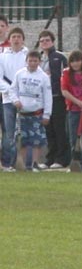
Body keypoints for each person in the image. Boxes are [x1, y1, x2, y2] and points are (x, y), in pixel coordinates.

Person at [9, 50, 52, 171]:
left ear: (39, 61)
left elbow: (48, 97)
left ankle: (34, 163)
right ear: (26, 61)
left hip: (37, 113)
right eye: (30, 60)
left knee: (36, 141)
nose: (32, 63)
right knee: (23, 140)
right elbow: (12, 90)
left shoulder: (43, 77)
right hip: (22, 113)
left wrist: (47, 114)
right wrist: (15, 100)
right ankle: (23, 164)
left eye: (35, 61)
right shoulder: (19, 74)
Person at [38, 30, 71, 169]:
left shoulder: (59, 57)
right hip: (43, 100)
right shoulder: (38, 59)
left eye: (47, 40)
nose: (45, 43)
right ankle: (50, 158)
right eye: (42, 41)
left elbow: (66, 75)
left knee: (59, 128)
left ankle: (61, 158)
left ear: (52, 42)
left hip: (57, 97)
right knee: (48, 130)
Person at [61, 50, 82, 172]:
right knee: (73, 138)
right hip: (73, 109)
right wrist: (79, 102)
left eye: (78, 61)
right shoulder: (66, 73)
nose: (75, 64)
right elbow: (64, 91)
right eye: (72, 61)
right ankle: (75, 163)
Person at [0, 27, 28, 171]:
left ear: (23, 39)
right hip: (7, 100)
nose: (16, 39)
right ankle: (8, 163)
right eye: (13, 37)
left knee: (25, 132)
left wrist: (20, 95)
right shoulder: (2, 56)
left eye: (19, 36)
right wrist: (12, 94)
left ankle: (25, 163)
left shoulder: (27, 55)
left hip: (25, 100)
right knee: (9, 132)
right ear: (9, 40)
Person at [0, 14, 10, 168]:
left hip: (7, 94)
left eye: (2, 26)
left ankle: (7, 161)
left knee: (7, 129)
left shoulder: (12, 47)